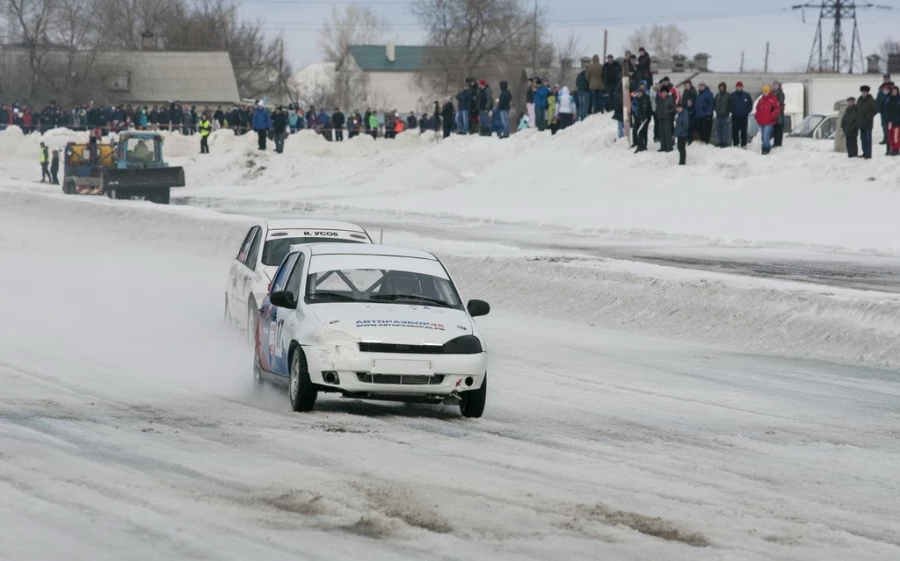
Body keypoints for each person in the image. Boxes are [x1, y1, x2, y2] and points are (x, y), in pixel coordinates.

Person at [755, 85, 780, 155]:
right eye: (764, 92)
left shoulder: (773, 99)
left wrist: (771, 116)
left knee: (766, 134)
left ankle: (765, 148)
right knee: (763, 135)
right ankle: (767, 146)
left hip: (769, 121)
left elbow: (777, 109)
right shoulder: (760, 100)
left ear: (769, 92)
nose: (765, 93)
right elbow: (757, 109)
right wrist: (757, 117)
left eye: (766, 91)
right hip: (761, 121)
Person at [730, 81, 753, 148]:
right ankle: (736, 143)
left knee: (744, 131)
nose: (739, 88)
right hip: (735, 116)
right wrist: (732, 111)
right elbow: (729, 105)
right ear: (736, 87)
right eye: (738, 87)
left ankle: (743, 144)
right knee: (735, 131)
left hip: (744, 116)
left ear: (742, 87)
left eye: (740, 87)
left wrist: (747, 111)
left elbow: (750, 104)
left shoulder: (746, 95)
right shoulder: (732, 95)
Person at [857, 85, 878, 159]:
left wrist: (868, 117)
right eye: (863, 92)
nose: (864, 93)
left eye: (865, 92)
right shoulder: (859, 100)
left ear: (867, 92)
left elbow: (875, 110)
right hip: (861, 123)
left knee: (868, 139)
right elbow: (857, 110)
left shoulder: (871, 100)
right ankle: (864, 152)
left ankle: (868, 154)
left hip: (868, 123)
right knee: (862, 139)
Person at [655, 86, 676, 152]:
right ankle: (663, 147)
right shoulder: (659, 99)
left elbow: (674, 108)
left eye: (665, 92)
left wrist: (668, 112)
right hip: (660, 119)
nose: (663, 93)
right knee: (661, 133)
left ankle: (669, 147)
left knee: (667, 133)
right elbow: (657, 108)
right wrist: (657, 113)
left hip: (667, 119)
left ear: (667, 93)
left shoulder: (670, 99)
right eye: (662, 92)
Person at [631, 86, 652, 152]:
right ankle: (640, 144)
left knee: (642, 132)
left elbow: (645, 110)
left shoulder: (645, 99)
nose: (639, 94)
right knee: (637, 131)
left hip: (644, 118)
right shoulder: (637, 98)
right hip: (637, 117)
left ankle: (642, 146)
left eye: (640, 93)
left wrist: (643, 119)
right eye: (638, 92)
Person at [876, 73, 893, 144]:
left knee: (890, 125)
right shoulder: (881, 88)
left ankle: (890, 138)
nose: (885, 79)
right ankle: (885, 138)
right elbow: (878, 99)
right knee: (883, 125)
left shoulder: (892, 88)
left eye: (887, 78)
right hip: (883, 110)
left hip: (890, 110)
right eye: (884, 78)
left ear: (889, 79)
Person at [714, 83, 731, 147]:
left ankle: (724, 142)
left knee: (725, 129)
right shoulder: (717, 95)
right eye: (720, 87)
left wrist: (727, 111)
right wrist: (716, 110)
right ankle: (720, 141)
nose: (721, 88)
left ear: (724, 88)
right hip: (718, 115)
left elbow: (730, 104)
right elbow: (714, 103)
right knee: (719, 129)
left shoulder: (728, 95)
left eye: (722, 87)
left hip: (725, 115)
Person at [884, 85, 900, 156]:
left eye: (895, 91)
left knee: (896, 136)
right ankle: (892, 148)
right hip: (890, 120)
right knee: (890, 135)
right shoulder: (889, 99)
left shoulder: (899, 99)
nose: (894, 92)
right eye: (893, 91)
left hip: (897, 121)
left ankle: (896, 149)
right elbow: (885, 107)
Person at [772, 81, 786, 148]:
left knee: (779, 129)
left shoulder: (781, 93)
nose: (775, 87)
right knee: (774, 129)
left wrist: (774, 104)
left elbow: (780, 102)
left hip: (779, 114)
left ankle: (778, 143)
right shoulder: (771, 93)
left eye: (777, 85)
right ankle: (775, 142)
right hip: (773, 114)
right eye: (774, 85)